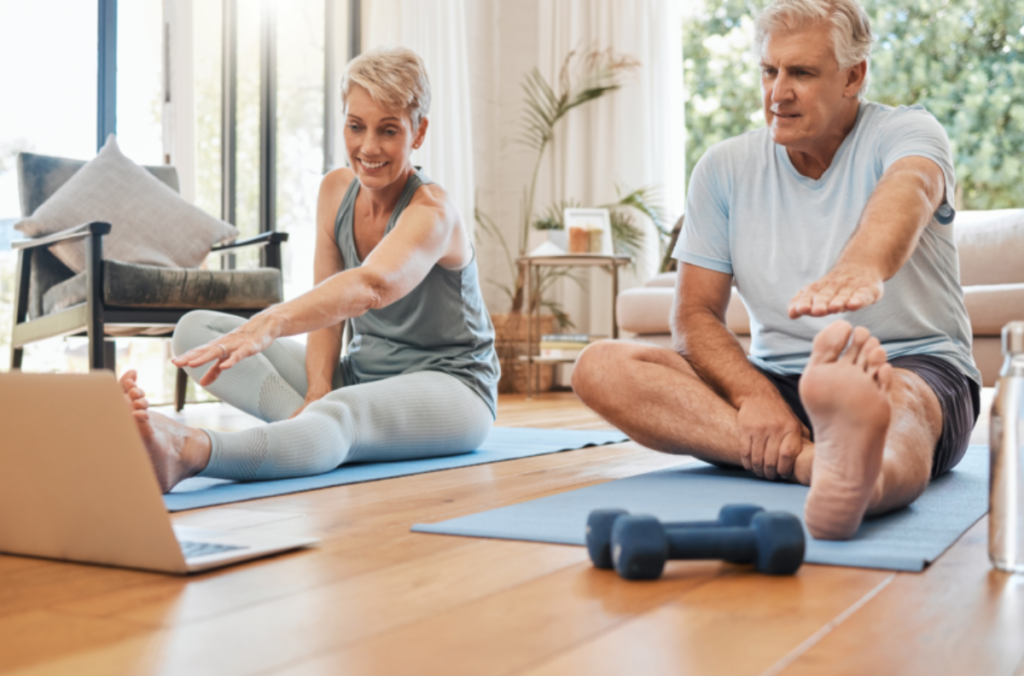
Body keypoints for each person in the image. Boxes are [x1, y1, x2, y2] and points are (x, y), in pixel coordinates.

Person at [572, 0, 980, 540]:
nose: (777, 93)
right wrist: (755, 397)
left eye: (802, 73)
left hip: (910, 365)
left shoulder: (908, 132)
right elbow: (694, 316)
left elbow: (911, 188)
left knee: (899, 402)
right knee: (600, 365)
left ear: (853, 76)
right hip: (779, 380)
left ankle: (866, 480)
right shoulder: (723, 167)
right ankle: (819, 464)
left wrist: (861, 264)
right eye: (770, 70)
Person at [121, 46, 499, 493]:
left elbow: (370, 287)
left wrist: (269, 322)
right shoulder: (336, 191)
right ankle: (311, 430)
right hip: (361, 375)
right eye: (356, 126)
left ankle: (190, 449)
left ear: (418, 134)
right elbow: (330, 308)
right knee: (197, 332)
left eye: (389, 130)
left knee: (342, 413)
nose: (368, 147)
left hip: (452, 389)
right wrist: (319, 387)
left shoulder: (432, 213)